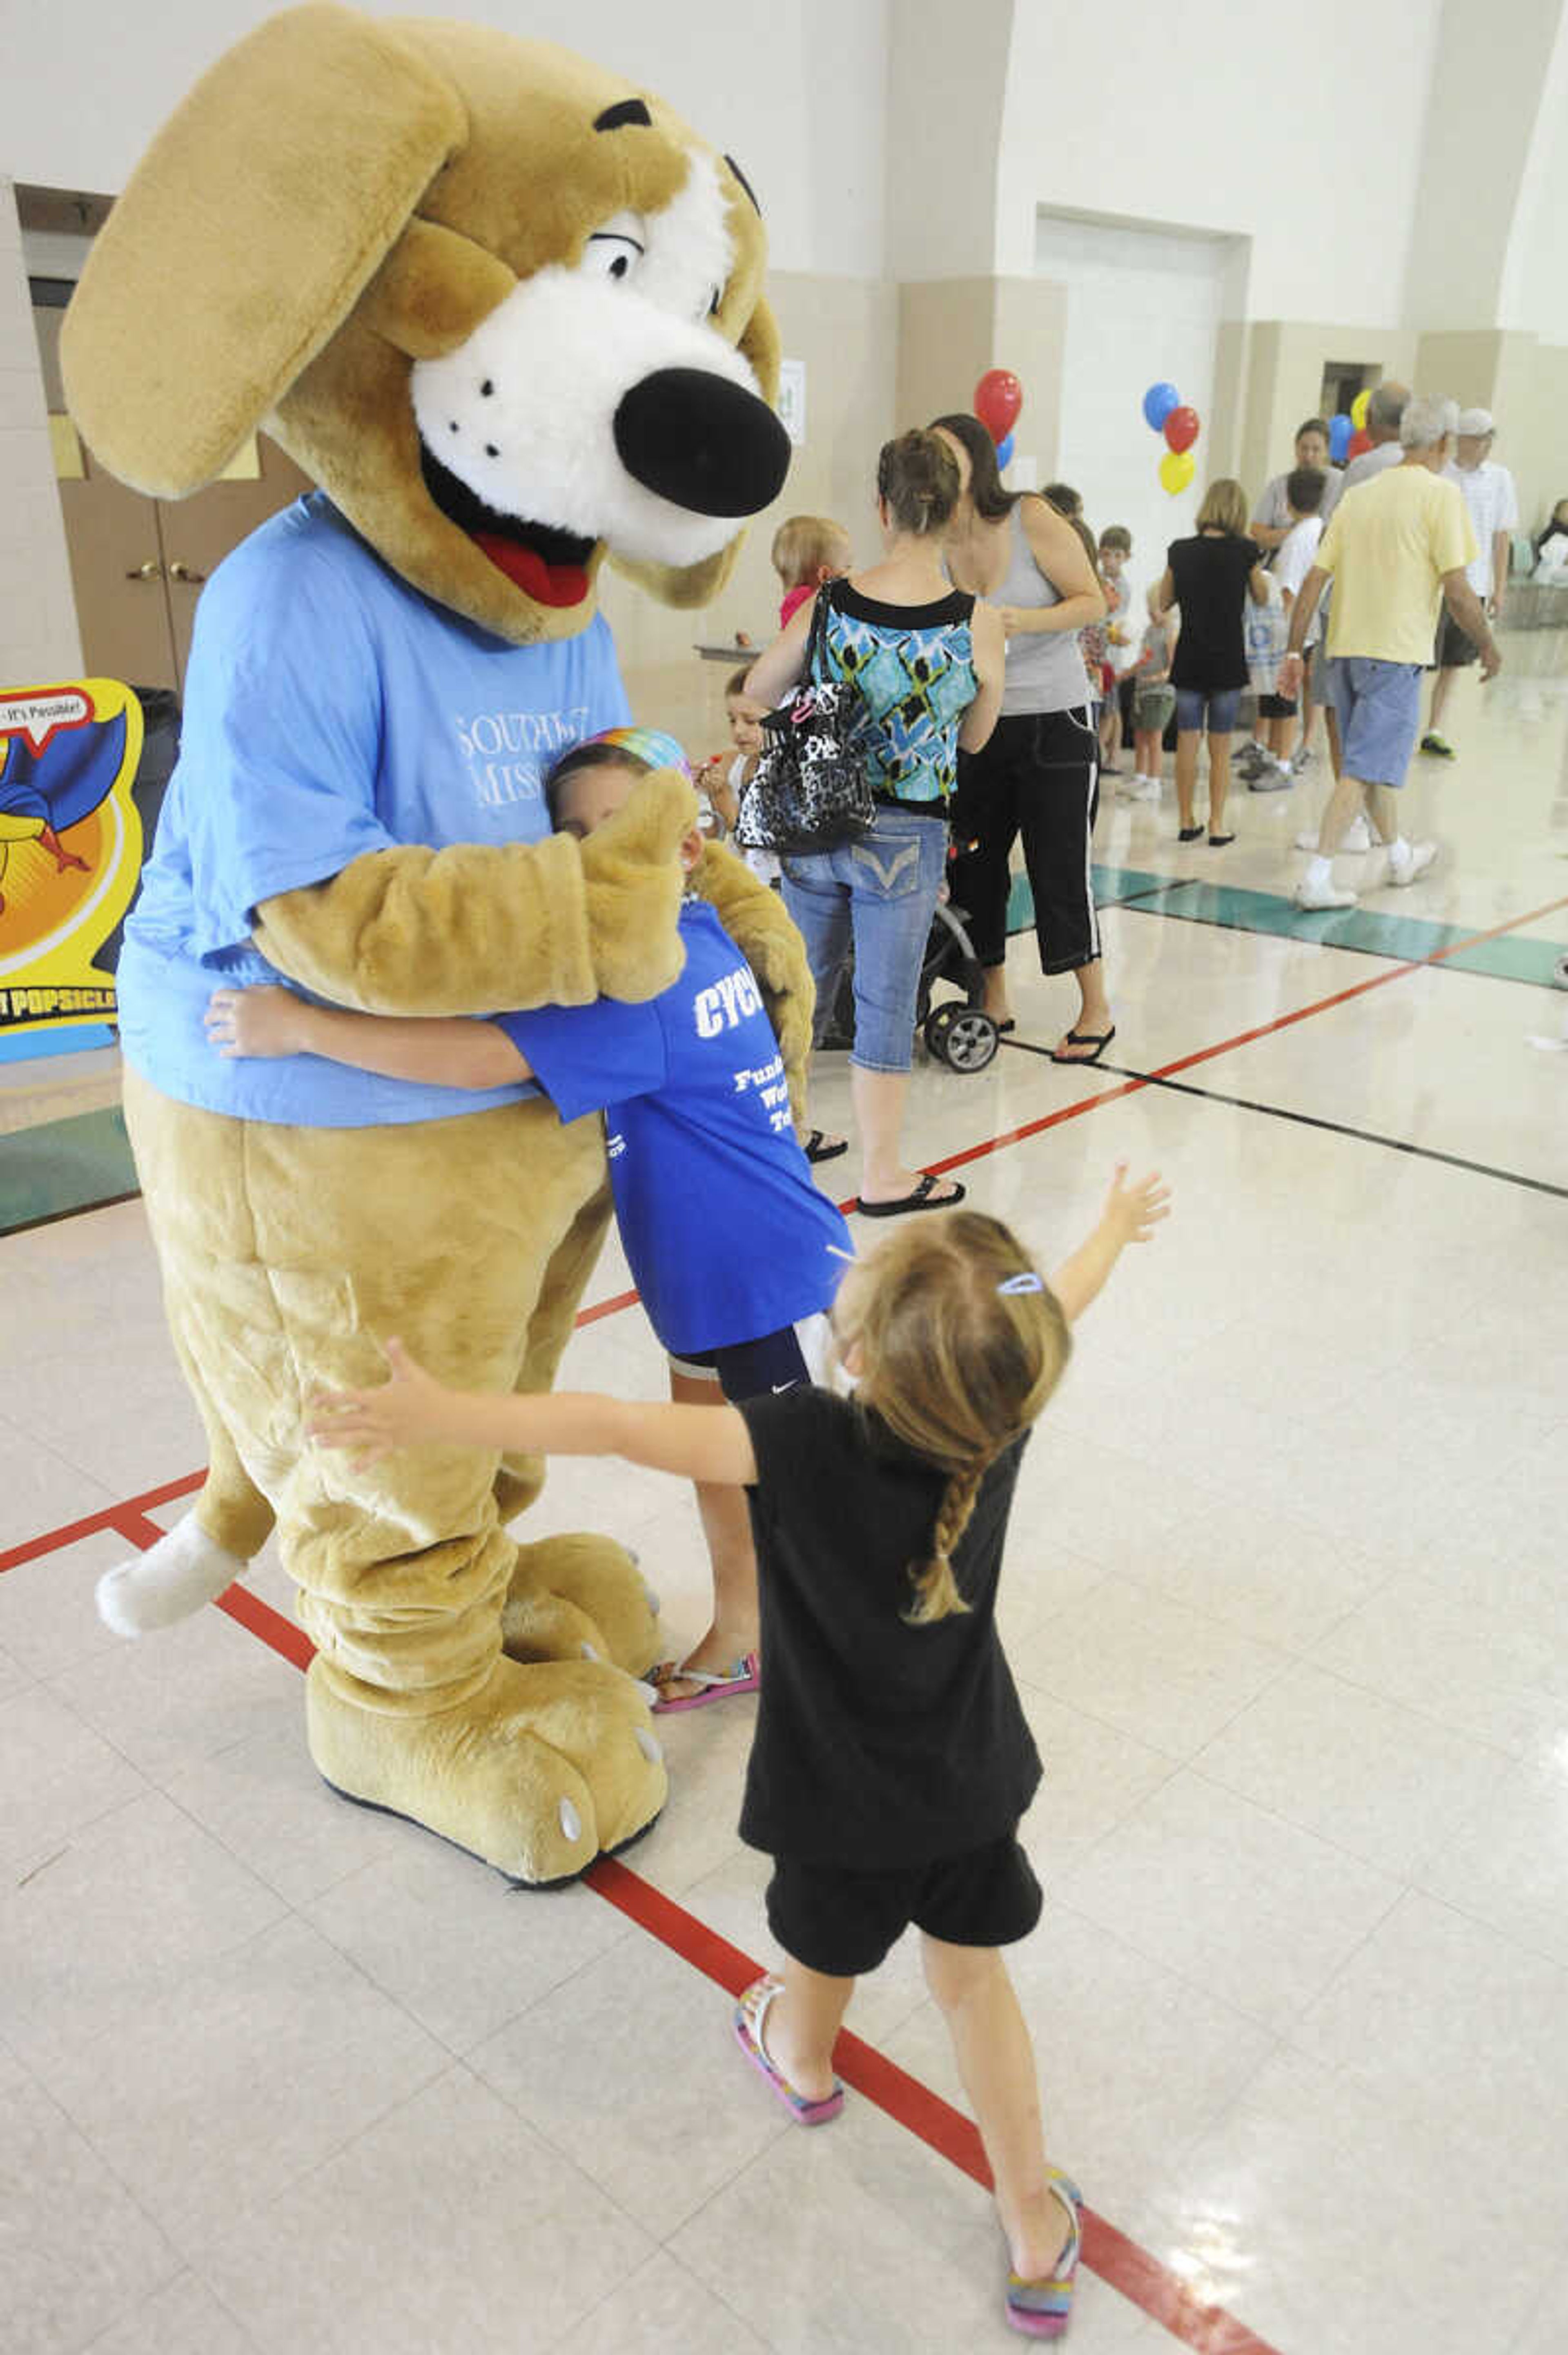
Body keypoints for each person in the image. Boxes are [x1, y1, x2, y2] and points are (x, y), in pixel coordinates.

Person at [305, 1166, 1173, 2339]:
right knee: (973, 1984)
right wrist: (1114, 1223)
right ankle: (1031, 2220)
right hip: (968, 1783)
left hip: (832, 1802)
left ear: (854, 1356)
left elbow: (613, 1425)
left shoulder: (801, 1435)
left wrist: (444, 1412)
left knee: (820, 1950)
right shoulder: (997, 1419)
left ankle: (802, 2061)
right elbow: (1055, 1306)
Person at [205, 729, 852, 1711]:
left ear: (679, 844)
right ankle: (744, 1629)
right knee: (717, 1473)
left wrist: (299, 1027)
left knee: (793, 1495)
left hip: (767, 1282)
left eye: (619, 828)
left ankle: (866, 1668)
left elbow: (483, 1055)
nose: (600, 854)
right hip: (707, 1288)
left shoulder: (650, 988)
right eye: (574, 837)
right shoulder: (697, 926)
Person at [744, 431, 1004, 1216]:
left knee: (802, 989)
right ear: (957, 511)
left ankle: (776, 1138)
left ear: (882, 505)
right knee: (889, 1005)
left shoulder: (831, 602)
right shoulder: (974, 620)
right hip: (907, 833)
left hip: (818, 818)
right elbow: (977, 737)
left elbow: (759, 687)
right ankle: (884, 1174)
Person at [931, 411, 1111, 1065]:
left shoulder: (1030, 516)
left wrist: (1018, 620)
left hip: (1055, 717)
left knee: (1058, 864)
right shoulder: (936, 540)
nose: (944, 471)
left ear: (980, 462)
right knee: (975, 865)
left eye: (953, 457)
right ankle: (994, 993)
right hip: (979, 720)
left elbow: (1092, 600)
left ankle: (1095, 1006)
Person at [1280, 396, 1503, 911]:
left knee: (1368, 758)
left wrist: (1296, 650)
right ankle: (1318, 878)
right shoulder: (1441, 497)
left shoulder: (1359, 495)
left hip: (1345, 651)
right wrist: (1488, 645)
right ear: (1444, 442)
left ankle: (1400, 855)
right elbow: (1459, 589)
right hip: (1395, 653)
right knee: (1361, 768)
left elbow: (1315, 579)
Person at [1152, 479, 1271, 846]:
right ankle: (1217, 823)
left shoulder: (1181, 551)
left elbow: (1164, 600)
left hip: (1190, 657)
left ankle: (1187, 820)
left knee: (1188, 739)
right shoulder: (1246, 551)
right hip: (1227, 661)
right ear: (1237, 510)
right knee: (1220, 747)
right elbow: (1263, 597)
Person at [1420, 408, 1517, 759]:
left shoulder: (1500, 478)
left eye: (1491, 439)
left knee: (1453, 663)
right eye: (1482, 439)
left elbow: (1502, 536)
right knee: (1420, 657)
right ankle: (1409, 722)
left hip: (1474, 581)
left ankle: (1434, 727)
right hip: (1435, 582)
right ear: (1466, 440)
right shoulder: (1440, 473)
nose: (1487, 446)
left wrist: (1499, 587)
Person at [1246, 467, 1328, 788]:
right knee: (1279, 696)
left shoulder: (1296, 541)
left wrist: (1286, 643)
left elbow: (1290, 593)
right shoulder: (1318, 529)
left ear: (1287, 503)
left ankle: (1282, 764)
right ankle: (1273, 755)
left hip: (1291, 631)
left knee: (1284, 696)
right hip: (1305, 630)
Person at [1248, 417, 1343, 554]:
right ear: (1296, 448)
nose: (1309, 456)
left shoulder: (1340, 483)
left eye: (1316, 450)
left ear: (1327, 451)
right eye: (1304, 448)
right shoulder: (1278, 486)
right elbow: (1257, 533)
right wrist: (1300, 533)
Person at [1123, 586, 1178, 802]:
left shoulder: (1171, 633)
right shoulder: (1149, 631)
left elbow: (1174, 668)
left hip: (1160, 693)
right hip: (1142, 691)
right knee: (1140, 735)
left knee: (1155, 738)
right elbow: (1143, 660)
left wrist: (1157, 678)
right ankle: (1141, 776)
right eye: (1150, 608)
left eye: (1158, 609)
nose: (1152, 613)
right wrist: (1127, 674)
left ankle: (1155, 783)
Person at [1097, 526, 1138, 774]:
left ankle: (1104, 751)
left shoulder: (1122, 586)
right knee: (1111, 708)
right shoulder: (1097, 579)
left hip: (1111, 656)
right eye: (1106, 554)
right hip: (1099, 652)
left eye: (1117, 555)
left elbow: (1113, 621)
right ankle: (1113, 756)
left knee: (1111, 709)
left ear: (1127, 558)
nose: (1111, 560)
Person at [771, 514, 854, 629]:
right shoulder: (810, 603)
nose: (852, 574)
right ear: (824, 576)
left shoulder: (793, 603)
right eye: (847, 567)